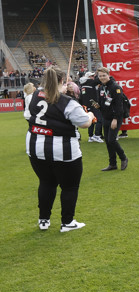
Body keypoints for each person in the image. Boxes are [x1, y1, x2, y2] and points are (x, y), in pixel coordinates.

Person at [25, 66, 95, 232]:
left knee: (46, 183)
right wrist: (91, 116)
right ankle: (67, 222)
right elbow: (84, 123)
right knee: (69, 187)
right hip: (63, 150)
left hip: (35, 147)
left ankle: (44, 219)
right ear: (62, 81)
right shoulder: (68, 102)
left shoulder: (35, 95)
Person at [97, 66, 128, 171]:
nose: (102, 77)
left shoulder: (116, 87)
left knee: (111, 140)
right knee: (107, 141)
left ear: (108, 75)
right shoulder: (101, 87)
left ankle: (123, 158)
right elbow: (103, 103)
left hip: (115, 118)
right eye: (100, 76)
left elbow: (119, 106)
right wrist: (98, 106)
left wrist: (115, 119)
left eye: (104, 75)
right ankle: (112, 164)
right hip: (105, 117)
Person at [79, 71, 104, 143]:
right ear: (88, 77)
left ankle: (90, 136)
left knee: (91, 121)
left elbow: (82, 97)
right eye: (92, 76)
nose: (93, 77)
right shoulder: (90, 82)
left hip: (87, 105)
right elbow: (99, 80)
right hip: (93, 104)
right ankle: (97, 135)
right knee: (99, 120)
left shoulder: (83, 85)